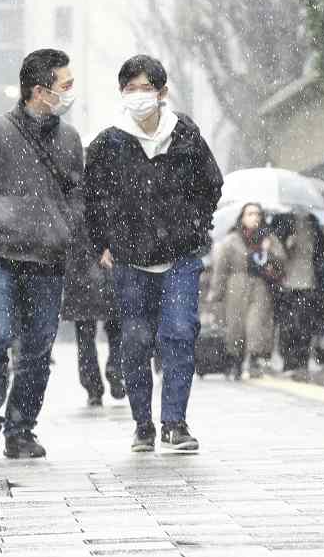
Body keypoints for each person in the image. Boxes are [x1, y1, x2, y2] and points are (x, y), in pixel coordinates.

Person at [84, 55, 224, 454]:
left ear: (162, 93)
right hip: (131, 259)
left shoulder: (185, 135)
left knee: (180, 334)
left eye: (146, 88)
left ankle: (175, 423)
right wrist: (103, 244)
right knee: (136, 340)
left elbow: (211, 184)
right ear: (121, 93)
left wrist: (196, 227)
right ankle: (143, 424)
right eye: (131, 89)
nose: (139, 96)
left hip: (180, 256)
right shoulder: (108, 143)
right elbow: (90, 200)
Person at [0, 48, 83, 458]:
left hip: (48, 260)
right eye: (65, 84)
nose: (70, 91)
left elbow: (79, 195)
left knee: (38, 349)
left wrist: (68, 228)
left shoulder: (69, 138)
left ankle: (21, 429)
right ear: (40, 90)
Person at [206, 203, 287, 379]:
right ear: (242, 217)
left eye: (257, 214)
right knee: (235, 326)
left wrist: (268, 253)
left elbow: (281, 262)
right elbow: (220, 269)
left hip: (260, 287)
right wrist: (215, 294)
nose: (254, 217)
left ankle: (254, 360)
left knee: (256, 324)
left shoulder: (269, 239)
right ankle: (234, 361)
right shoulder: (231, 240)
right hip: (235, 286)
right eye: (250, 214)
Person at [61, 233, 124, 406]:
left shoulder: (74, 209)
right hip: (108, 262)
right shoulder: (109, 210)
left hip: (80, 267)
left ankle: (93, 386)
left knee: (85, 333)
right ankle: (116, 368)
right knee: (117, 325)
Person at [270, 209, 320, 377]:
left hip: (308, 282)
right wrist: (286, 244)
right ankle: (288, 361)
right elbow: (276, 253)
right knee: (288, 325)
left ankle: (302, 361)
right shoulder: (282, 220)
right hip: (288, 283)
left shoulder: (314, 222)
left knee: (305, 325)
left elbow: (319, 253)